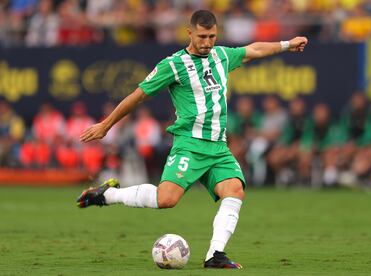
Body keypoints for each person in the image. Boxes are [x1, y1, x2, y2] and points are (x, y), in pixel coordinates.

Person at [76, 10, 308, 269]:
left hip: (218, 147)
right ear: (189, 33)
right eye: (202, 36)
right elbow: (138, 95)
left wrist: (287, 45)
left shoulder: (221, 56)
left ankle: (215, 254)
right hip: (190, 144)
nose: (207, 42)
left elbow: (253, 49)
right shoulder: (173, 64)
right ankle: (109, 195)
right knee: (167, 200)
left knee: (235, 190)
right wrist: (106, 125)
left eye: (212, 36)